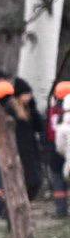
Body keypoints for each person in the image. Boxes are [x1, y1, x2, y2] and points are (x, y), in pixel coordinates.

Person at [0, 73, 44, 219]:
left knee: (33, 183)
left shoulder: (28, 110)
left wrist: (33, 107)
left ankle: (16, 211)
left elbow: (39, 127)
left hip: (31, 153)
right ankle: (9, 212)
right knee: (19, 184)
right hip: (19, 153)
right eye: (27, 94)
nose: (29, 97)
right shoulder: (10, 110)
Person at [48, 80, 70, 218]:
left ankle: (61, 210)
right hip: (63, 151)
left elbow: (50, 133)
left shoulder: (52, 111)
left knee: (58, 180)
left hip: (55, 150)